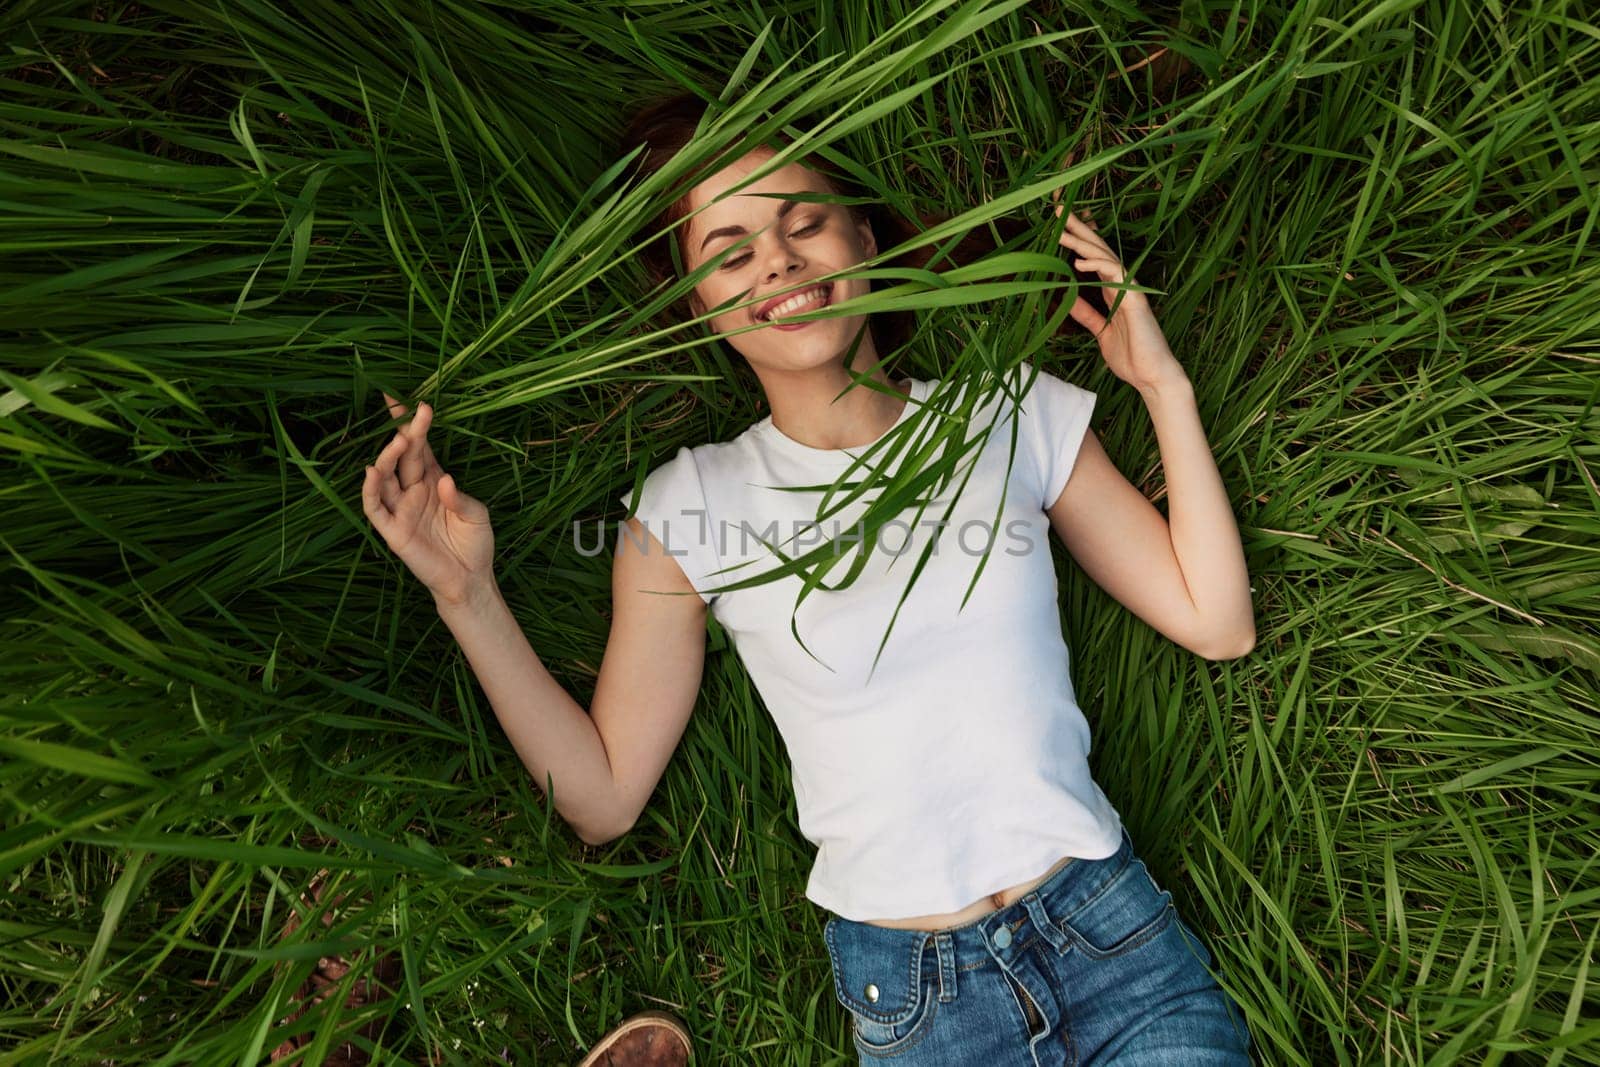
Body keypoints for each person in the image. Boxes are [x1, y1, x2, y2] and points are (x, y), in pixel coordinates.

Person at [361, 90, 1256, 1065]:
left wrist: (1162, 388)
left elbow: (1217, 620)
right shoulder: (691, 501)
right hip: (923, 1001)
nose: (778, 263)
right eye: (731, 251)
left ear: (862, 233)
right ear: (696, 301)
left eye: (803, 223)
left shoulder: (1003, 413)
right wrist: (467, 595)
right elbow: (605, 795)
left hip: (1109, 938)